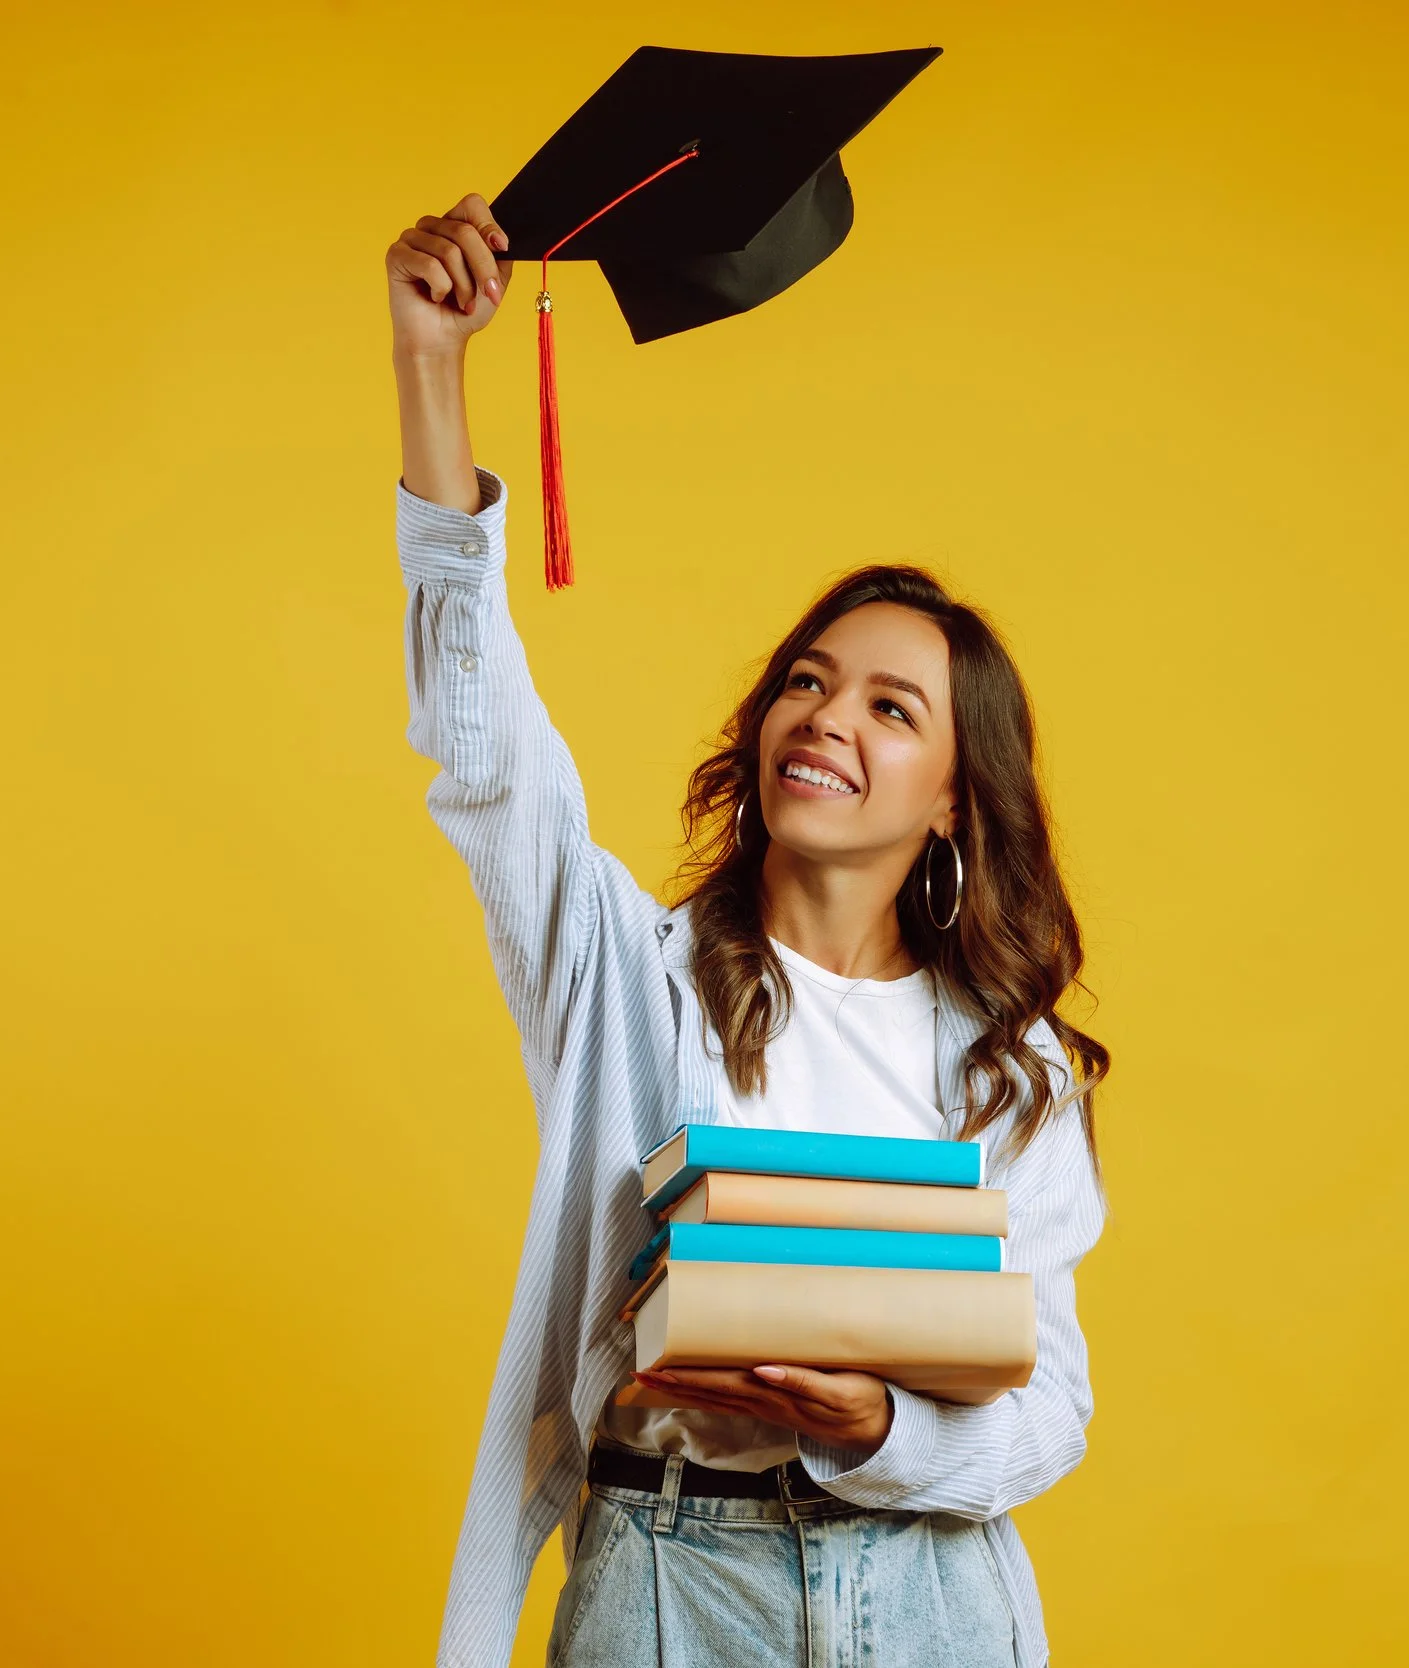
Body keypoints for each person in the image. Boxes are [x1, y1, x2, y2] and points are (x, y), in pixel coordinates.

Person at [385, 194, 1111, 1668]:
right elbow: (488, 748)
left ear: (956, 802)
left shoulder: (1012, 1069)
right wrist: (430, 372)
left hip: (935, 1597)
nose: (827, 718)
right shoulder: (624, 980)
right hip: (672, 1582)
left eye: (888, 709)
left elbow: (1047, 1413)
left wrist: (881, 1432)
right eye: (806, 681)